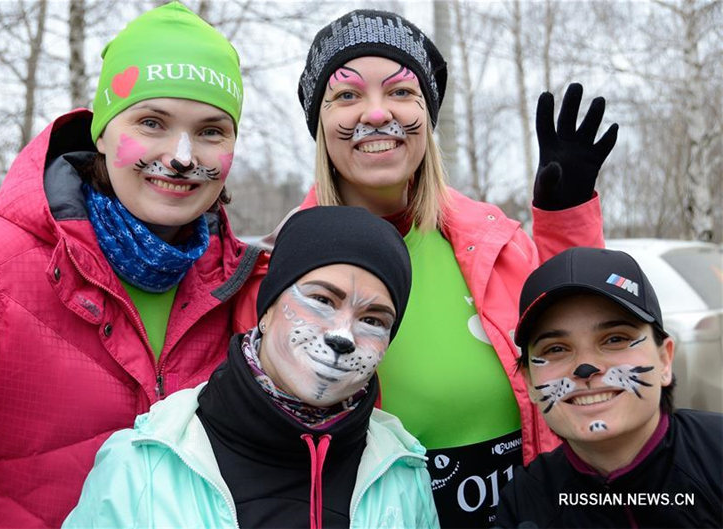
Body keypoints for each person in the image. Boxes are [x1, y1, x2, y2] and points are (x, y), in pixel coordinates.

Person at [234, 9, 618, 528]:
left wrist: (565, 219)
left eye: (400, 92)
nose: (375, 114)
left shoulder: (494, 243)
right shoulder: (278, 279)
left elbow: (576, 338)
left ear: (428, 113)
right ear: (319, 124)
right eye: (347, 95)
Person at [0, 3, 262, 527]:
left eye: (212, 131)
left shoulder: (243, 290)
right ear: (100, 132)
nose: (180, 155)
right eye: (151, 123)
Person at [63, 206, 438, 529]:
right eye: (322, 299)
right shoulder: (144, 462)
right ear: (268, 308)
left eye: (373, 320)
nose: (343, 335)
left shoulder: (402, 471)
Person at [495, 246, 723, 528]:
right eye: (556, 348)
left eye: (615, 339)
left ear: (665, 360)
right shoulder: (524, 503)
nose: (586, 367)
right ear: (529, 383)